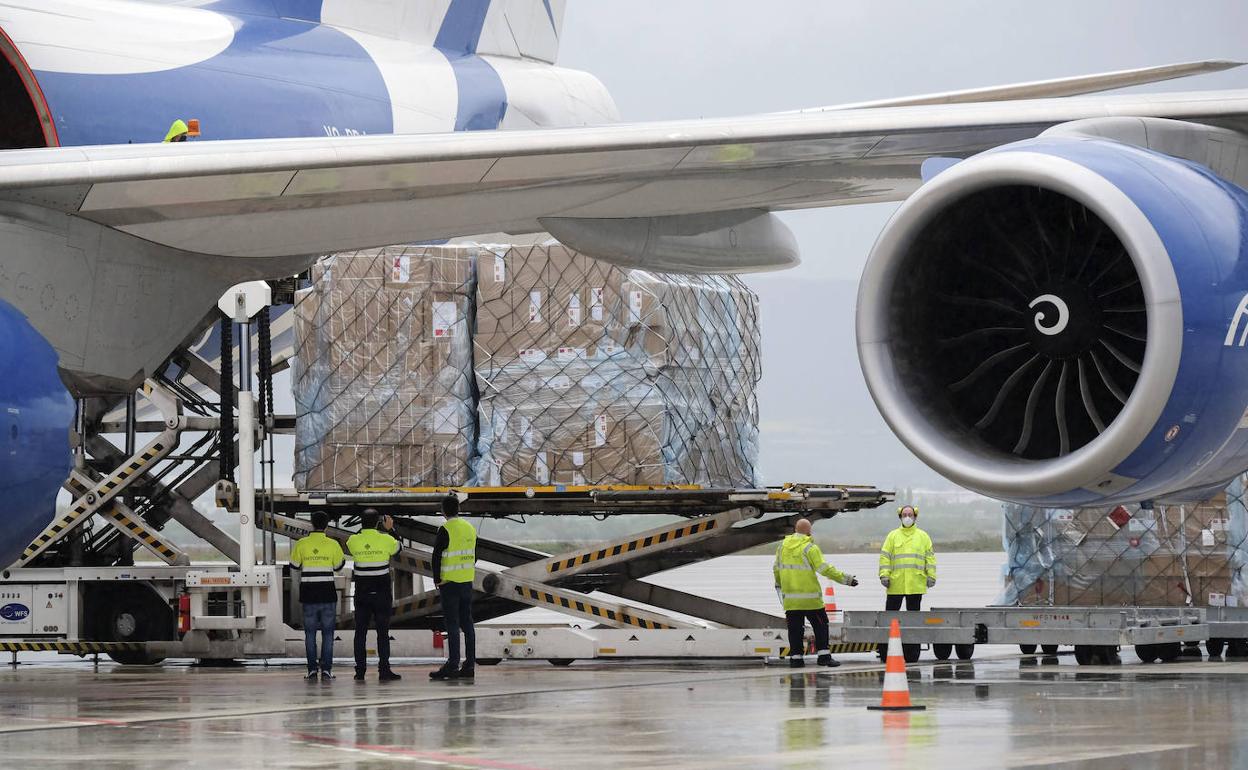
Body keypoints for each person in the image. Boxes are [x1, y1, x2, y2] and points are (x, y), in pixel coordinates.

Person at [774, 518, 858, 668]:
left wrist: (780, 587)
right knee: (820, 626)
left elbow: (776, 569)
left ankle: (796, 659)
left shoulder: (781, 548)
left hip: (791, 600)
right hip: (810, 599)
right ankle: (824, 656)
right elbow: (824, 569)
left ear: (795, 530)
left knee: (795, 629)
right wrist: (847, 579)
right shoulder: (810, 548)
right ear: (809, 531)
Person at [347, 509, 402, 682]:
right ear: (378, 523)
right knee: (383, 633)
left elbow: (353, 540)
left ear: (361, 523)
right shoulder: (386, 539)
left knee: (360, 632)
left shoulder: (353, 540)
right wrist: (390, 529)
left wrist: (364, 529)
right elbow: (400, 547)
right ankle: (384, 670)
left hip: (362, 592)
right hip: (382, 592)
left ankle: (360, 672)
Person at [290, 511, 346, 680]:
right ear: (327, 525)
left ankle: (312, 670)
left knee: (310, 634)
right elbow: (338, 566)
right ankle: (327, 670)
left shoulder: (301, 543)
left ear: (311, 524)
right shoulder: (333, 544)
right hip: (327, 593)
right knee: (328, 634)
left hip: (308, 593)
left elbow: (294, 565)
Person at [430, 494, 477, 681]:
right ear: (459, 509)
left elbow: (436, 556)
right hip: (467, 581)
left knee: (452, 624)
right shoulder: (470, 528)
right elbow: (476, 554)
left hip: (449, 583)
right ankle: (470, 665)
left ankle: (452, 665)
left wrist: (437, 578)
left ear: (443, 511)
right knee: (468, 623)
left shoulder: (445, 529)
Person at [879, 504, 937, 612]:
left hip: (915, 584)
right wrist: (884, 575)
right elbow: (885, 557)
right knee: (890, 618)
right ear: (900, 517)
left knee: (913, 619)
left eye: (910, 515)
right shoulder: (892, 536)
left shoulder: (923, 536)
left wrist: (931, 576)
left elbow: (930, 558)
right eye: (904, 515)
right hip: (895, 584)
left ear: (915, 516)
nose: (907, 517)